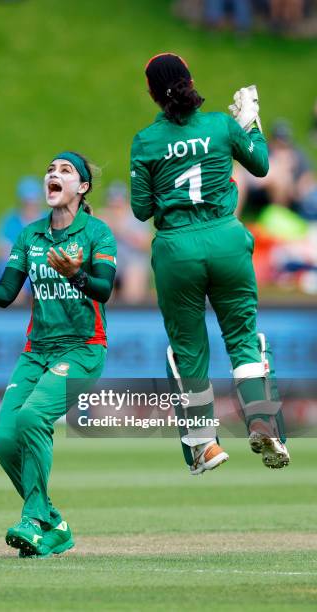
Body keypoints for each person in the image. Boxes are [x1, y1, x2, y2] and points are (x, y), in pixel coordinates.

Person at [0, 151, 117, 557]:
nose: (53, 176)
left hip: (83, 349)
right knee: (5, 440)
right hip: (36, 351)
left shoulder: (97, 233)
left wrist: (75, 273)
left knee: (32, 416)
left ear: (82, 187)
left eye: (65, 171)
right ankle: (53, 523)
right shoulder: (29, 236)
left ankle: (33, 520)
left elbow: (105, 289)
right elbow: (6, 294)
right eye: (50, 170)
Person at [130, 53, 289, 475]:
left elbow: (140, 209)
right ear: (190, 80)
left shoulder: (146, 140)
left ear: (152, 94)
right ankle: (260, 420)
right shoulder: (221, 124)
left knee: (189, 348)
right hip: (225, 239)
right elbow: (260, 163)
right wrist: (251, 123)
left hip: (177, 250)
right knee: (241, 337)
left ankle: (205, 445)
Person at [100, 181, 151, 304]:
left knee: (133, 274)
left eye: (119, 204)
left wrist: (123, 231)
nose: (116, 208)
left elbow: (147, 244)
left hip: (131, 265)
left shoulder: (137, 218)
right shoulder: (102, 218)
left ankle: (131, 313)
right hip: (112, 265)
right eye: (113, 204)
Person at [0, 176, 43, 296]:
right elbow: (1, 248)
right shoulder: (10, 220)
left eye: (33, 201)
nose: (31, 205)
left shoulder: (49, 219)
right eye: (27, 202)